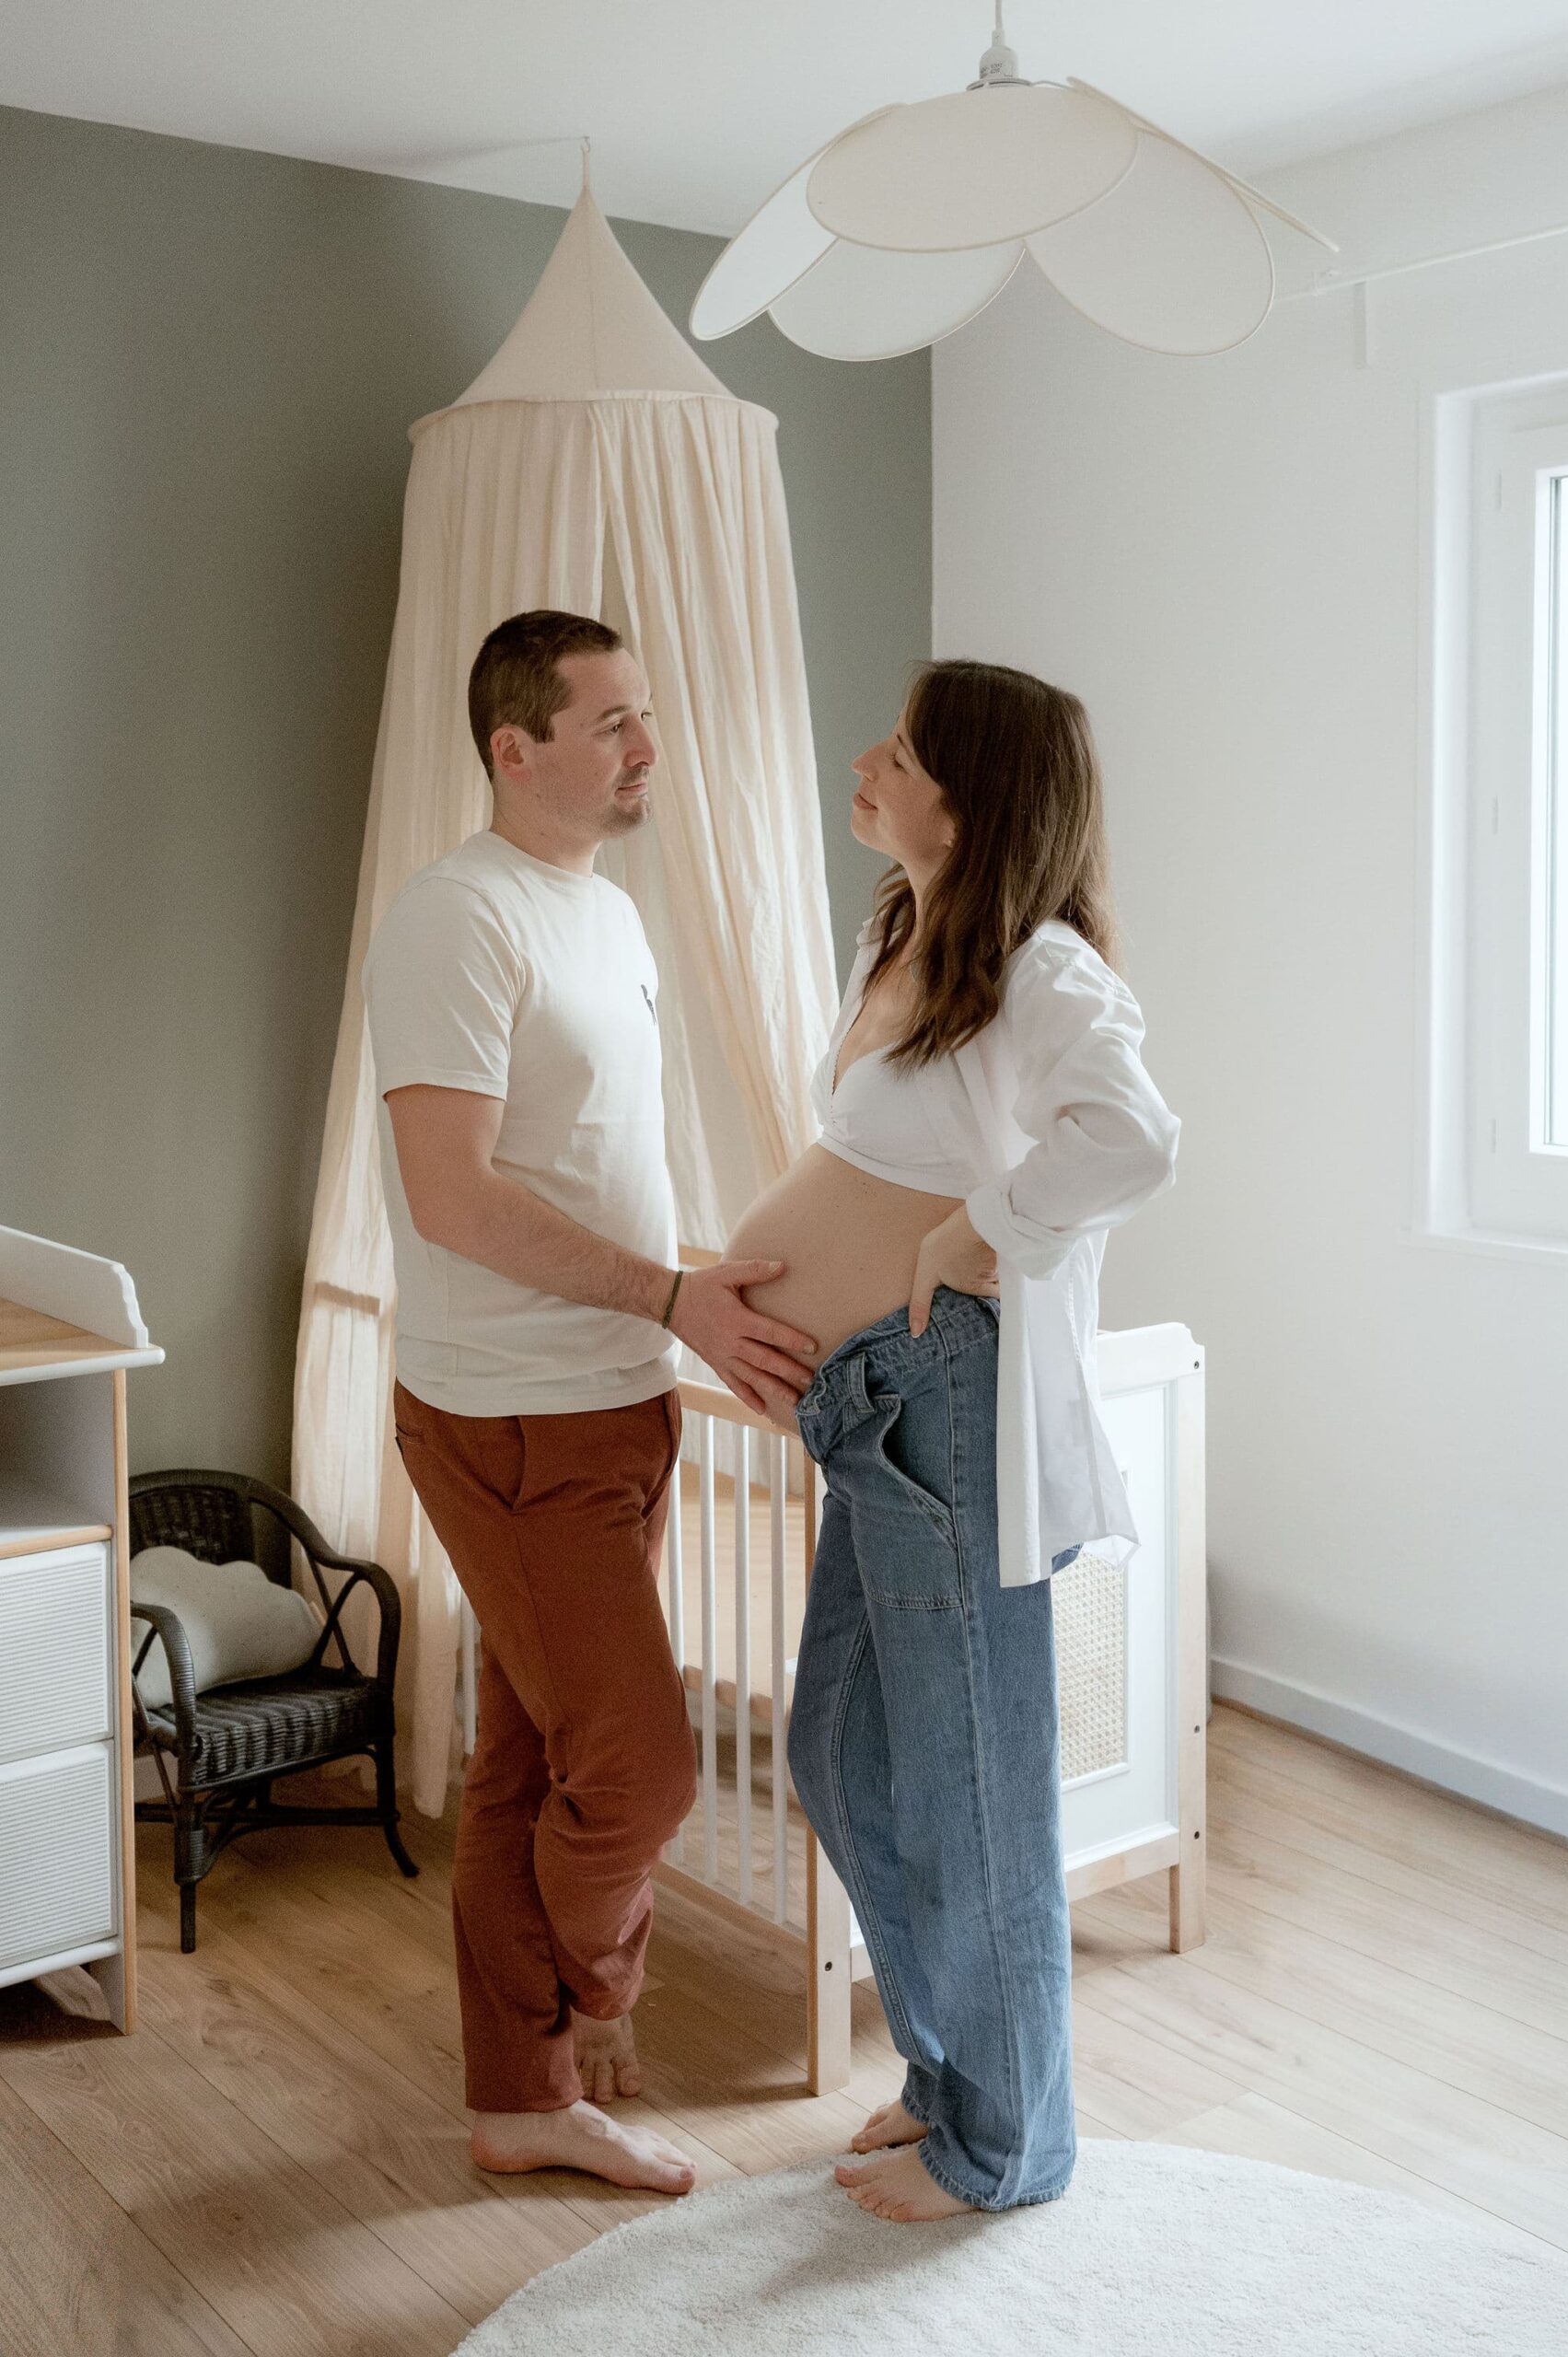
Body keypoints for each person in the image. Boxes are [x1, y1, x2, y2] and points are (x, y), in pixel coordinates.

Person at [363, 610, 819, 2195]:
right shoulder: (455, 919)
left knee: (529, 1764)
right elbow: (456, 1201)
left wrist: (702, 1290)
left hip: (617, 1403)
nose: (647, 746)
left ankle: (522, 2098)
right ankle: (590, 2003)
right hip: (509, 1420)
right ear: (517, 746)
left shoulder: (599, 914)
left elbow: (592, 1170)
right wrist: (673, 1300)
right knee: (641, 1767)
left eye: (646, 715)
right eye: (613, 720)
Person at [727, 658, 1180, 2223]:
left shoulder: (1045, 966)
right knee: (839, 1752)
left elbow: (1133, 1134)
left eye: (902, 751)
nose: (866, 761)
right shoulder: (908, 932)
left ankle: (1012, 2148)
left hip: (948, 1406)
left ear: (970, 796)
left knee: (973, 1778)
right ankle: (946, 2080)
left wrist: (974, 1234)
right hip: (874, 1412)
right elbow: (866, 1149)